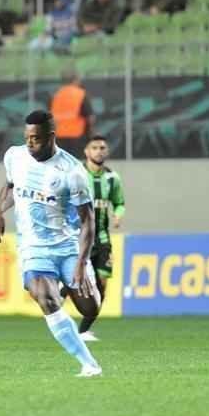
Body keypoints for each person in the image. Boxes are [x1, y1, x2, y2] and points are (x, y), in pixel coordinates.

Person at [0, 110, 103, 378]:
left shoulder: (72, 172)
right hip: (34, 248)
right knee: (45, 297)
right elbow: (10, 187)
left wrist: (81, 263)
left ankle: (73, 283)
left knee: (90, 307)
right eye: (27, 137)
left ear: (51, 137)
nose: (30, 143)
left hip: (68, 247)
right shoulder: (14, 156)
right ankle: (89, 363)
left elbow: (88, 222)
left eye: (36, 139)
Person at [77, 135, 125, 341]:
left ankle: (83, 330)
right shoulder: (77, 175)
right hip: (79, 239)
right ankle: (57, 320)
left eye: (102, 147)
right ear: (86, 152)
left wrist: (118, 215)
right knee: (71, 282)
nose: (99, 151)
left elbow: (120, 202)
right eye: (94, 147)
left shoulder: (113, 178)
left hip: (103, 239)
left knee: (102, 283)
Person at [49, 70, 93, 157]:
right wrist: (90, 132)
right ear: (75, 80)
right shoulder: (81, 94)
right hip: (77, 136)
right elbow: (90, 117)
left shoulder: (55, 95)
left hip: (59, 136)